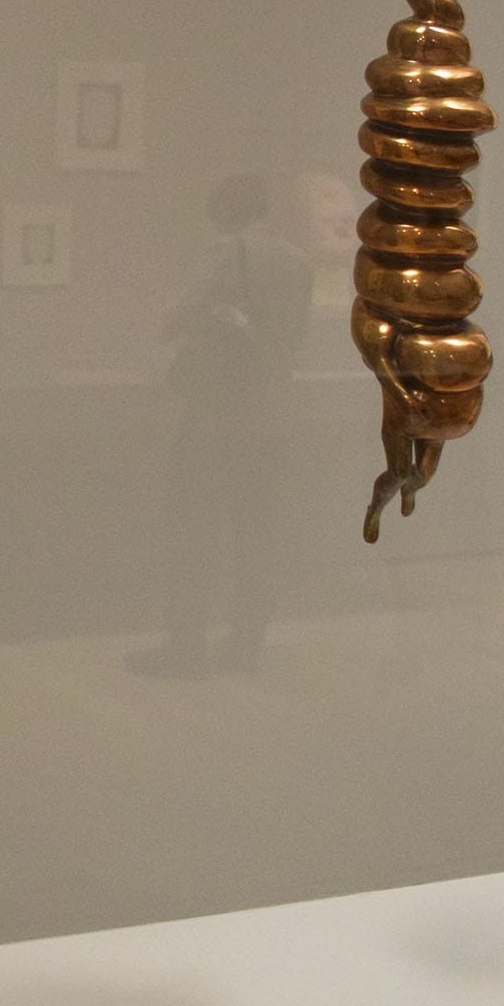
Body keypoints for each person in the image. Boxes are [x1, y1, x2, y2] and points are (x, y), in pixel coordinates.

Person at [148, 173, 313, 675]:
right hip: (272, 417)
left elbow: (180, 317)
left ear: (222, 210)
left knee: (194, 529)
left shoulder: (224, 252)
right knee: (256, 534)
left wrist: (168, 321)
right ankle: (245, 645)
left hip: (215, 415)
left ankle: (186, 645)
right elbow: (291, 339)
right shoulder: (299, 262)